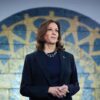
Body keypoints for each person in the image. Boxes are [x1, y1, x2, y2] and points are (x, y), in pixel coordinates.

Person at [20, 19, 80, 100]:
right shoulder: (31, 59)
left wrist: (68, 88)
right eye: (50, 29)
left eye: (56, 30)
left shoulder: (69, 57)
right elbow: (24, 89)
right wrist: (48, 90)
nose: (54, 33)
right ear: (43, 34)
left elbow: (76, 85)